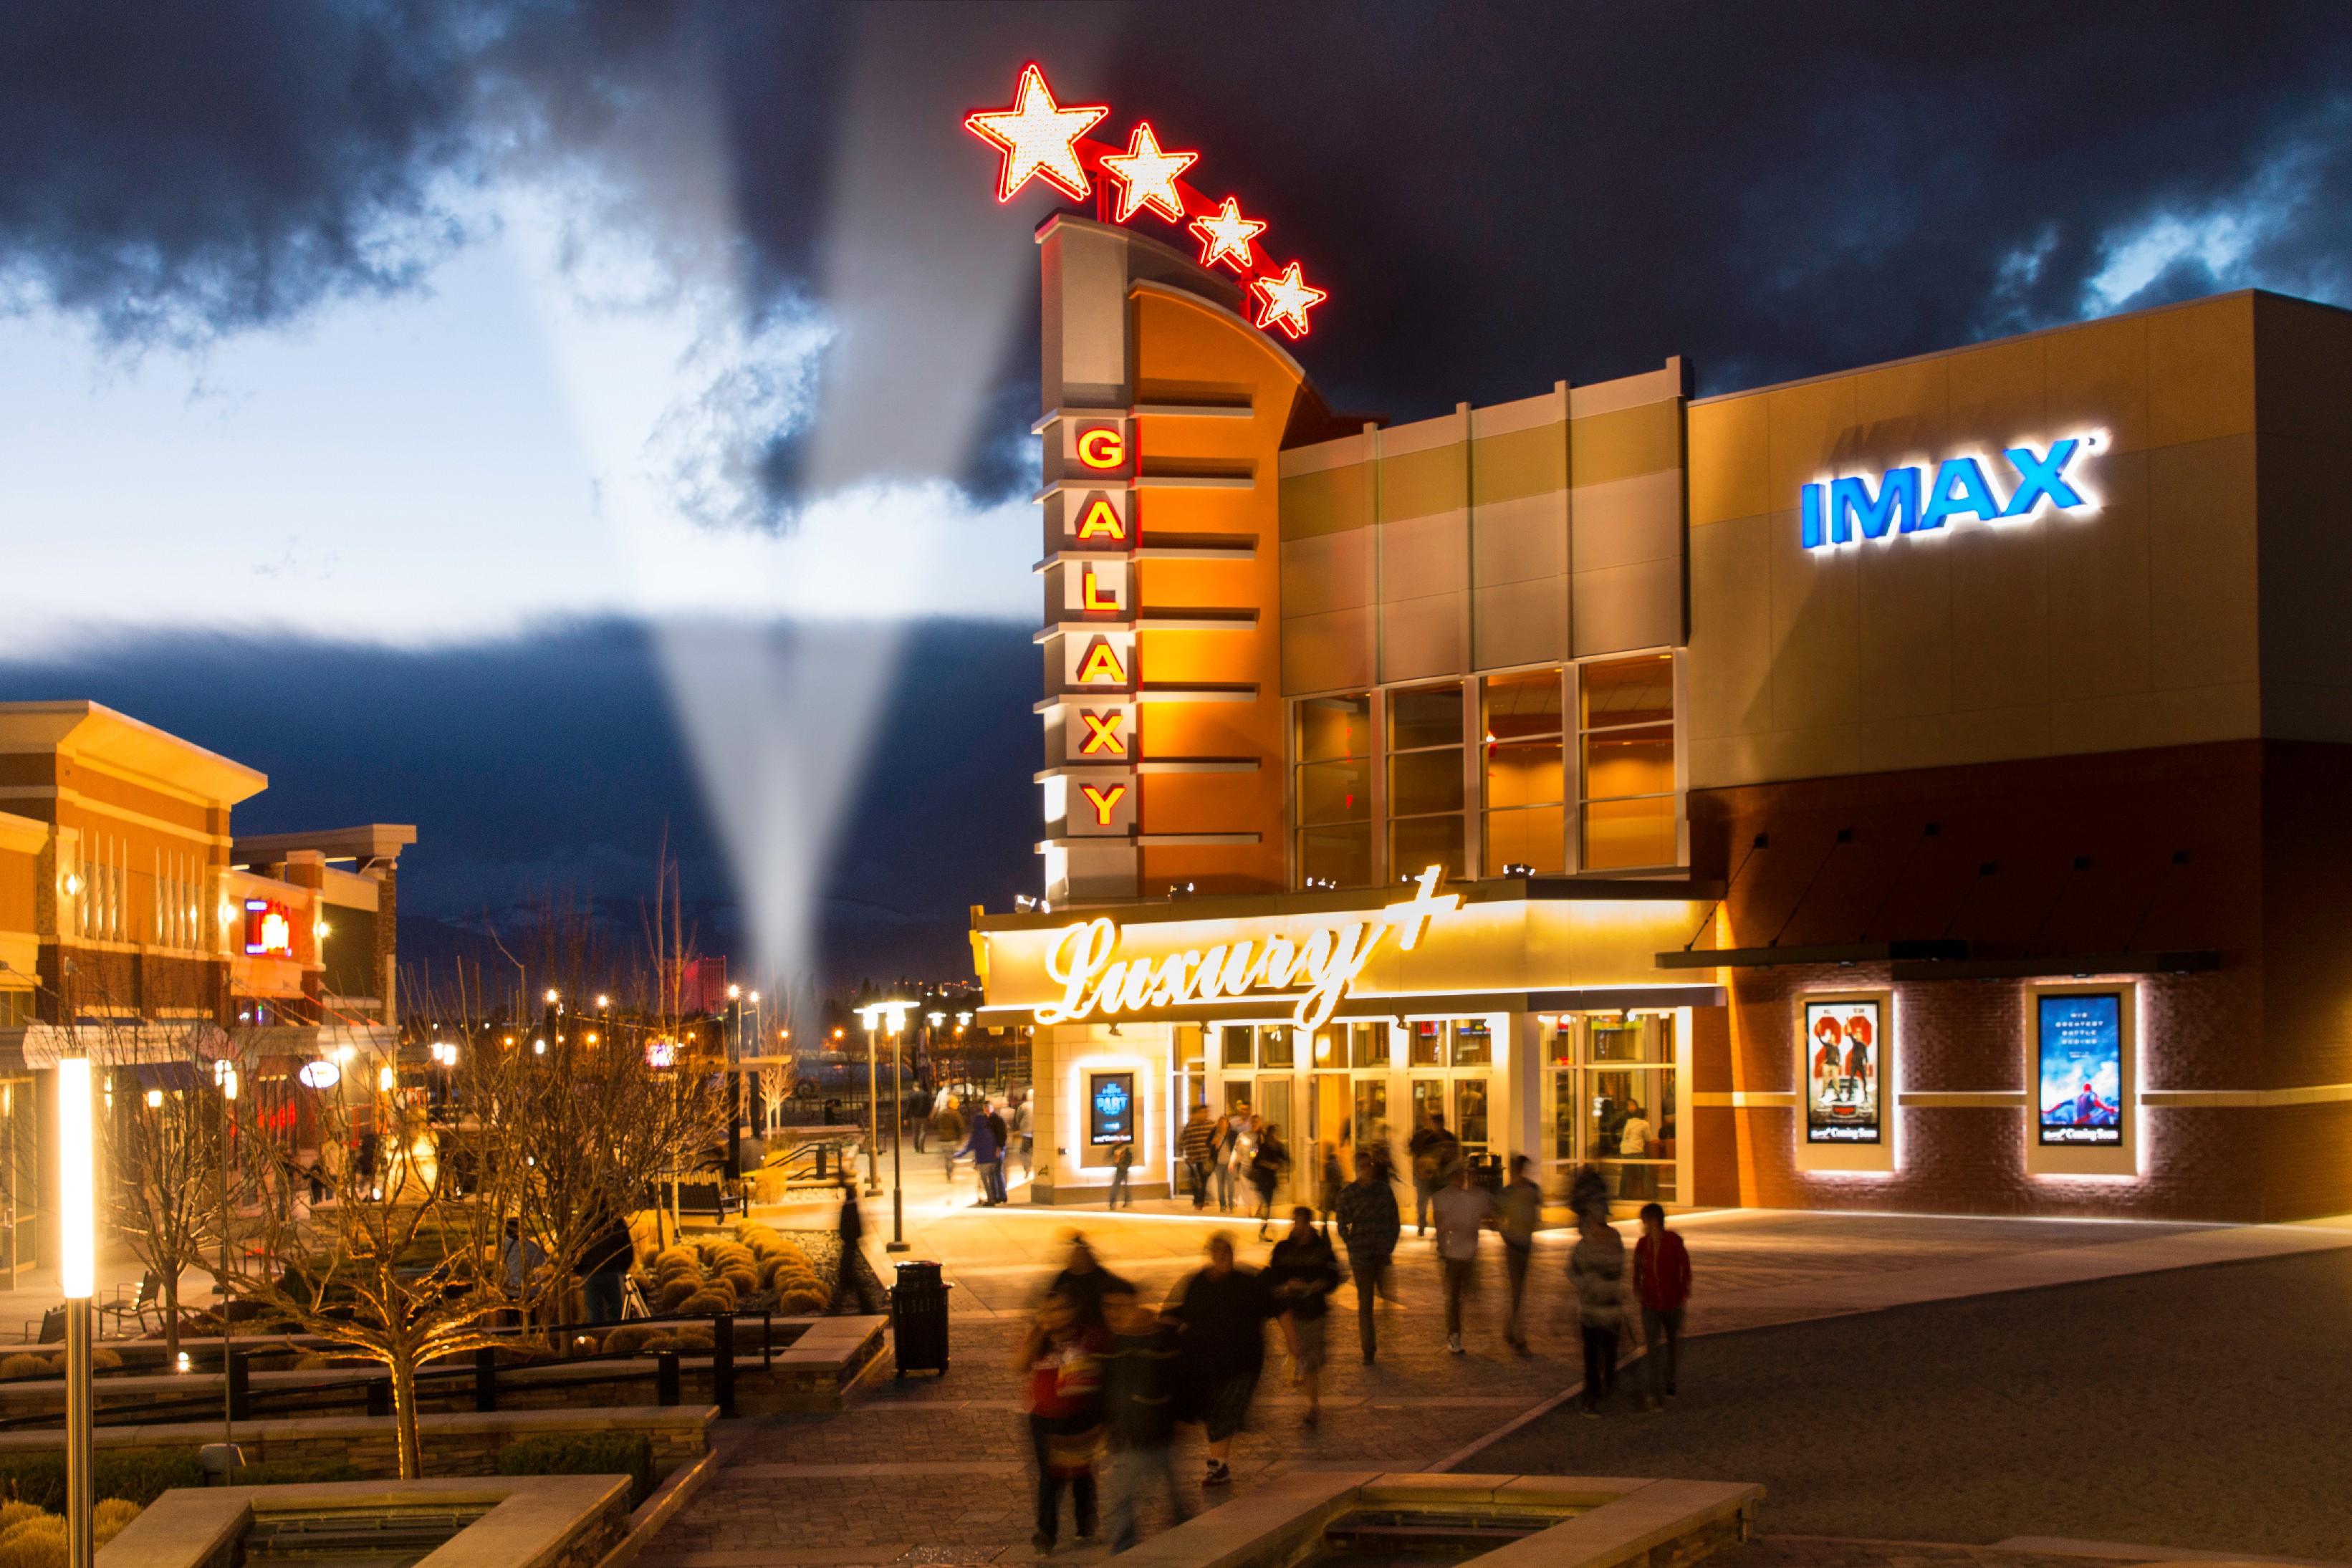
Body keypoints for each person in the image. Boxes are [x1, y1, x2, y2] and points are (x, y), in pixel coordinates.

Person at [1164, 1233, 1271, 1488]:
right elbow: (1182, 1311)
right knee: (1212, 1414)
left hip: (1241, 1363)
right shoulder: (1197, 1281)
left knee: (1223, 1413)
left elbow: (1277, 1307)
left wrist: (1294, 1344)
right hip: (1205, 1364)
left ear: (1233, 1255)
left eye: (1227, 1253)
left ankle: (1218, 1467)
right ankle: (1215, 1464)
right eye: (1218, 1253)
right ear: (1211, 1254)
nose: (1222, 1258)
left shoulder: (1247, 1283)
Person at [1014, 1290, 1108, 1552]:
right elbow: (1018, 1366)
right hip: (1044, 1418)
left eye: (1059, 1309)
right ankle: (1045, 1534)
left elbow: (1102, 1370)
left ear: (1071, 1310)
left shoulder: (1085, 1336)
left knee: (1083, 1474)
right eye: (1047, 1311)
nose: (1054, 1316)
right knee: (1050, 1477)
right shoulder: (1038, 1337)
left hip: (1080, 1414)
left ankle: (1085, 1527)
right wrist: (1040, 1333)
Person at [1100, 1289, 1187, 1552]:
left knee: (1126, 1497)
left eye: (1121, 1307)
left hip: (1150, 1437)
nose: (1115, 1314)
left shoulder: (1160, 1345)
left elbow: (1176, 1387)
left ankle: (1125, 1549)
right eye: (1110, 1307)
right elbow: (1110, 1395)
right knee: (1141, 1494)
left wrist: (1181, 1419)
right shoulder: (1116, 1346)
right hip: (1135, 1438)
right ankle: (1128, 1546)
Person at [1265, 1206, 1340, 1425]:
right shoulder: (1283, 1249)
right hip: (1291, 1312)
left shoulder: (1323, 1249)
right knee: (1299, 1354)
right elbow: (1272, 1277)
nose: (1296, 1226)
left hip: (1315, 1310)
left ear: (1308, 1224)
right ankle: (1304, 1387)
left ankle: (1312, 1406)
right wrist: (1288, 1285)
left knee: (1311, 1360)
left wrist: (1323, 1284)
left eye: (1299, 1222)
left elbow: (1334, 1275)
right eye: (1294, 1222)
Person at [1335, 1149, 1400, 1364]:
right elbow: (1341, 1222)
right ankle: (1368, 1349)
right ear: (1356, 1169)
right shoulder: (1348, 1194)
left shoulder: (1383, 1191)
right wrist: (1351, 1242)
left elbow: (1394, 1219)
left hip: (1381, 1253)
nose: (1367, 1169)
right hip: (1361, 1255)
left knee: (1386, 1294)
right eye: (1363, 1166)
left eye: (1369, 1165)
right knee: (1365, 1304)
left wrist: (1389, 1244)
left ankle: (1389, 1333)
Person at [1569, 1208, 1632, 1416]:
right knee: (1594, 1354)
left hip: (1606, 1308)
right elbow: (1571, 1270)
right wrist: (1585, 1285)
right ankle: (1593, 1393)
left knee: (1605, 1351)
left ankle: (1603, 1386)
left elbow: (1617, 1269)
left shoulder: (1610, 1242)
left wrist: (1589, 1283)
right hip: (1593, 1310)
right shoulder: (1586, 1245)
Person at [1633, 1201, 1691, 1410]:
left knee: (1673, 1345)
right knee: (1653, 1349)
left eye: (1645, 1221)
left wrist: (1682, 1291)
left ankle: (1670, 1380)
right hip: (1650, 1305)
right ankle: (1654, 1393)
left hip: (1672, 1304)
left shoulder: (1673, 1241)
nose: (1643, 1225)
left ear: (1654, 1221)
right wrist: (1638, 1289)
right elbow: (1637, 1268)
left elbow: (1685, 1265)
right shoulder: (1642, 1244)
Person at [1430, 1160, 1492, 1355]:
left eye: (1463, 1174)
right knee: (1455, 1297)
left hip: (1469, 1254)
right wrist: (1442, 1246)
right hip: (1453, 1255)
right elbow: (1440, 1225)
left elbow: (1485, 1217)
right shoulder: (1443, 1197)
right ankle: (1454, 1335)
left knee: (1469, 1295)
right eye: (1459, 1174)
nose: (1462, 1178)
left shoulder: (1471, 1197)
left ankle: (1473, 1333)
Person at [1496, 1155, 1541, 1352]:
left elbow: (1535, 1215)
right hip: (1514, 1244)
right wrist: (1506, 1237)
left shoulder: (1532, 1190)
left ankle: (1509, 1328)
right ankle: (1518, 1333)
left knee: (1519, 1291)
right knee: (1517, 1290)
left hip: (1525, 1243)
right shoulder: (1507, 1192)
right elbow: (1497, 1218)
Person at [1048, 1233, 1130, 1332]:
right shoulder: (1065, 1276)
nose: (1079, 1258)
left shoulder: (1100, 1274)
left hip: (1097, 1323)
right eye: (1077, 1255)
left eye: (1081, 1255)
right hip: (1074, 1324)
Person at [577, 1200, 636, 1325]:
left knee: (594, 1314)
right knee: (617, 1312)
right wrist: (623, 1267)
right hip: (613, 1270)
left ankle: (598, 1341)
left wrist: (580, 1270)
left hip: (591, 1272)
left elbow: (575, 1248)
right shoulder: (615, 1220)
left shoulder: (584, 1223)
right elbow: (627, 1246)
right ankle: (615, 1339)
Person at [833, 1178, 880, 1313]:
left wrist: (847, 1237)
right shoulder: (852, 1205)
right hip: (850, 1243)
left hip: (850, 1243)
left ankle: (837, 1308)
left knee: (848, 1276)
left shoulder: (850, 1206)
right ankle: (864, 1307)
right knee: (849, 1277)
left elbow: (851, 1227)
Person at [1249, 1122, 1288, 1240]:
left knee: (1268, 1206)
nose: (1275, 1135)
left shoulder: (1278, 1147)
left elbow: (1287, 1160)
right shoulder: (1261, 1145)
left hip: (1270, 1181)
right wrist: (1268, 1165)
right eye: (1274, 1132)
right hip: (1262, 1179)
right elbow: (1254, 1161)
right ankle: (1263, 1231)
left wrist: (1280, 1165)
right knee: (1268, 1206)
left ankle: (1263, 1230)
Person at [959, 1105, 1001, 1206]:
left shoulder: (977, 1133)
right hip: (993, 1160)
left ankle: (990, 1200)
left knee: (985, 1181)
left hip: (984, 1161)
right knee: (991, 1180)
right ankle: (994, 1197)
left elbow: (969, 1147)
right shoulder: (989, 1131)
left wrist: (957, 1155)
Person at [1179, 1105, 1218, 1210]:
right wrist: (1186, 1154)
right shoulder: (1191, 1126)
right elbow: (1184, 1140)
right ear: (1198, 1113)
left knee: (1203, 1179)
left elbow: (1216, 1140)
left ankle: (1200, 1201)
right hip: (1193, 1158)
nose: (1205, 1114)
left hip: (1205, 1158)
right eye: (1202, 1112)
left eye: (1206, 1112)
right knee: (1195, 1180)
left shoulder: (1211, 1125)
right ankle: (1198, 1199)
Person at [1618, 1103, 1654, 1201]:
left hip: (1625, 1151)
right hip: (1636, 1151)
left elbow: (1623, 1135)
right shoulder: (1644, 1124)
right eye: (1647, 1115)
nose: (1649, 1117)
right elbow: (1649, 1138)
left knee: (1625, 1175)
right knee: (1645, 1174)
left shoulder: (1629, 1122)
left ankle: (1621, 1195)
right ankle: (1654, 1196)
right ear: (1643, 1116)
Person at [932, 1095, 966, 1182]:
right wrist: (959, 1139)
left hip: (942, 1140)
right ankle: (949, 1174)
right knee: (951, 1159)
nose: (958, 1104)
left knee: (948, 1159)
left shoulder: (941, 1113)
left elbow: (935, 1125)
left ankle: (948, 1174)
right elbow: (961, 1127)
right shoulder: (956, 1114)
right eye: (956, 1103)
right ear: (950, 1104)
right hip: (952, 1140)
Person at [986, 1101, 1012, 1203]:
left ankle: (997, 1195)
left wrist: (998, 1148)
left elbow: (1000, 1136)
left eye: (987, 1108)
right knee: (998, 1172)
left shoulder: (995, 1120)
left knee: (994, 1172)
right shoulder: (996, 1120)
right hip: (999, 1148)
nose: (986, 1110)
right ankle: (1002, 1195)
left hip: (997, 1149)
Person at [1317, 1141, 1345, 1233]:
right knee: (1335, 1211)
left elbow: (1330, 1179)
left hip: (1332, 1191)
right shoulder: (1336, 1163)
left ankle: (1325, 1231)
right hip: (1336, 1190)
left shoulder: (1329, 1164)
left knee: (1327, 1212)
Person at [909, 1082, 934, 1154]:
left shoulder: (912, 1095)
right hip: (924, 1117)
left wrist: (906, 1117)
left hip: (915, 1117)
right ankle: (922, 1147)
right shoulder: (925, 1094)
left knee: (915, 1132)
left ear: (914, 1087)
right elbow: (929, 1105)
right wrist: (930, 1114)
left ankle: (916, 1147)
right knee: (923, 1132)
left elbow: (909, 1106)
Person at [1015, 1093, 1036, 1178]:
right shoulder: (1039, 1104)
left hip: (1026, 1132)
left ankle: (1027, 1167)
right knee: (1037, 1151)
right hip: (1037, 1132)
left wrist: (1021, 1125)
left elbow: (1018, 1118)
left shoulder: (1023, 1106)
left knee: (1024, 1151)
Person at [1109, 1140, 1133, 1210]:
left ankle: (1115, 1201)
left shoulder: (1126, 1150)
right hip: (1120, 1170)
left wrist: (1125, 1166)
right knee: (1123, 1186)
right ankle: (1125, 1200)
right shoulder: (1116, 1149)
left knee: (1119, 1186)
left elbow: (1129, 1159)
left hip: (1123, 1170)